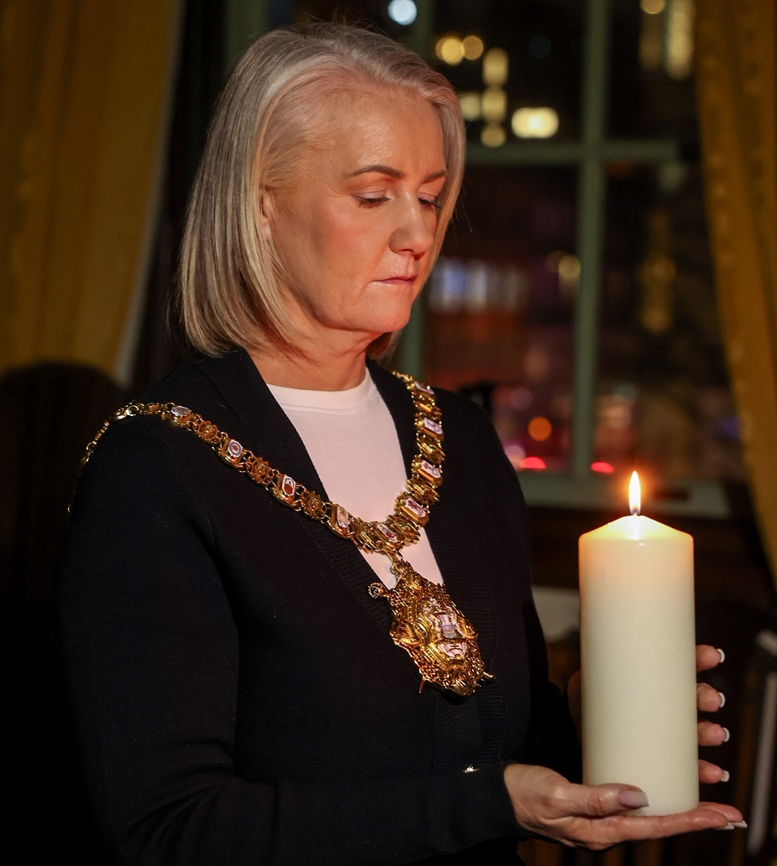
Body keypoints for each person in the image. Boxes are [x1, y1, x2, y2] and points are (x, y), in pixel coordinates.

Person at [57, 21, 744, 866]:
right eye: (375, 195)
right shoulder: (157, 467)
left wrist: (599, 723)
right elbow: (166, 831)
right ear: (261, 205)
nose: (417, 234)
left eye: (430, 195)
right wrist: (483, 805)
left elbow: (492, 761)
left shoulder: (454, 435)